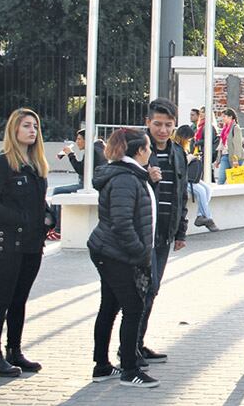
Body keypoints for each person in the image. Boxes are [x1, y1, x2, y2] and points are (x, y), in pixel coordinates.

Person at [88, 128, 157, 388]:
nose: (150, 152)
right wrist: (140, 252)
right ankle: (130, 370)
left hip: (113, 251)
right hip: (116, 253)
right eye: (148, 148)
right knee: (133, 308)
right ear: (139, 151)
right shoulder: (126, 179)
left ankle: (102, 366)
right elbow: (122, 223)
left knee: (110, 306)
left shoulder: (131, 175)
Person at [0, 109, 49, 378]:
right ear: (14, 129)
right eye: (26, 126)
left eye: (35, 126)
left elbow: (38, 201)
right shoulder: (2, 163)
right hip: (8, 241)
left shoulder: (36, 165)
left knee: (20, 299)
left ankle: (15, 350)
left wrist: (49, 215)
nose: (32, 130)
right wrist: (19, 218)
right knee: (3, 297)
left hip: (33, 242)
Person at [139, 99, 188, 366]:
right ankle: (129, 348)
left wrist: (181, 230)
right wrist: (147, 176)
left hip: (165, 233)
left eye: (168, 125)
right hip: (142, 233)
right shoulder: (137, 147)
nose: (163, 130)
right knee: (142, 290)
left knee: (152, 289)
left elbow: (182, 193)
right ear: (148, 122)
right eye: (157, 124)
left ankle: (137, 343)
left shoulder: (178, 152)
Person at [49, 129, 107, 239]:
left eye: (79, 139)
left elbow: (81, 169)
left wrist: (71, 154)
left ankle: (56, 229)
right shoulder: (99, 147)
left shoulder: (92, 150)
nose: (77, 142)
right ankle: (56, 227)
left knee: (57, 191)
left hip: (89, 185)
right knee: (59, 192)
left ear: (87, 140)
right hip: (93, 184)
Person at [173, 126, 218, 232]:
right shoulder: (175, 147)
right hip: (181, 178)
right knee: (201, 192)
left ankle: (200, 216)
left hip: (188, 176)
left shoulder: (181, 147)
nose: (189, 142)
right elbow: (180, 164)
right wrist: (190, 158)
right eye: (188, 139)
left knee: (207, 189)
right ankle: (209, 218)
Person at [216, 108, 244, 184]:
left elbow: (237, 145)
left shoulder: (236, 128)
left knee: (235, 180)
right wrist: (218, 159)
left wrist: (236, 159)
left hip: (234, 157)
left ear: (230, 117)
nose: (223, 118)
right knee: (221, 180)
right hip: (225, 156)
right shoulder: (224, 129)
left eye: (224, 116)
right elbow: (221, 145)